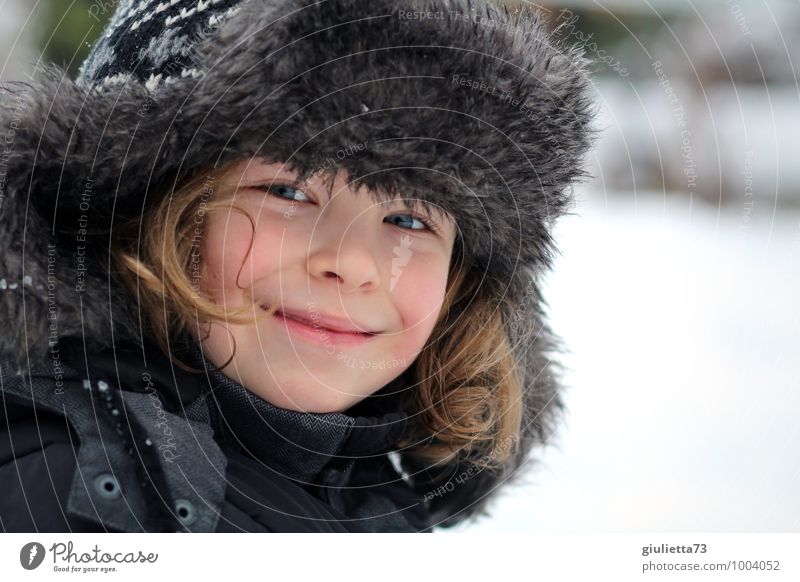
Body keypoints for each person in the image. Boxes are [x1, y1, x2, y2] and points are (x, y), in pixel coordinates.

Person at [0, 0, 596, 532]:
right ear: (144, 204)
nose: (352, 262)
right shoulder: (74, 497)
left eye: (412, 221)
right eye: (288, 192)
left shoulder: (352, 486)